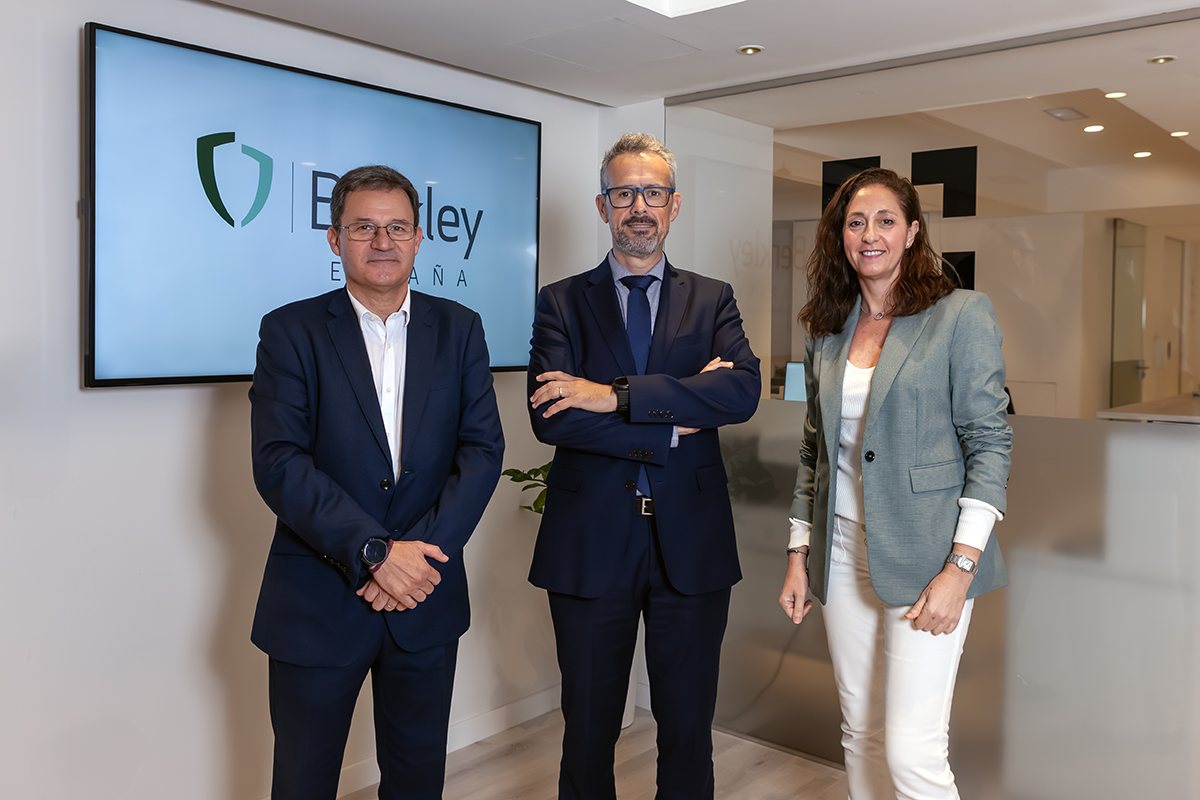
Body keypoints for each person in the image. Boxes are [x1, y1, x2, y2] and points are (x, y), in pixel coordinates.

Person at [248, 165, 504, 800]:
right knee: (303, 782)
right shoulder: (290, 331)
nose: (383, 241)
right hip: (320, 601)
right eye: (364, 227)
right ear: (335, 239)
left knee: (417, 782)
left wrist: (417, 561)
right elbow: (279, 462)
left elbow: (481, 450)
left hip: (425, 595)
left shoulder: (460, 327)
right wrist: (375, 553)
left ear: (418, 238)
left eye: (397, 227)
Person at [526, 133, 760, 799]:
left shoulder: (712, 298)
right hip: (590, 539)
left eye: (652, 193)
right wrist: (674, 422)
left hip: (692, 541)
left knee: (687, 729)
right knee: (588, 729)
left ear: (673, 205)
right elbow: (552, 417)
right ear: (603, 206)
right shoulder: (561, 301)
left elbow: (740, 392)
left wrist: (614, 396)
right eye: (624, 192)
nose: (639, 206)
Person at [779, 167, 1012, 800]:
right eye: (856, 222)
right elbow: (814, 449)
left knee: (913, 752)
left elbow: (990, 444)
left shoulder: (959, 315)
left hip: (929, 558)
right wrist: (799, 554)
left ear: (911, 232)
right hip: (840, 551)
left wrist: (960, 569)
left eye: (886, 221)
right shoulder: (827, 329)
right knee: (861, 732)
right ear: (841, 236)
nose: (870, 235)